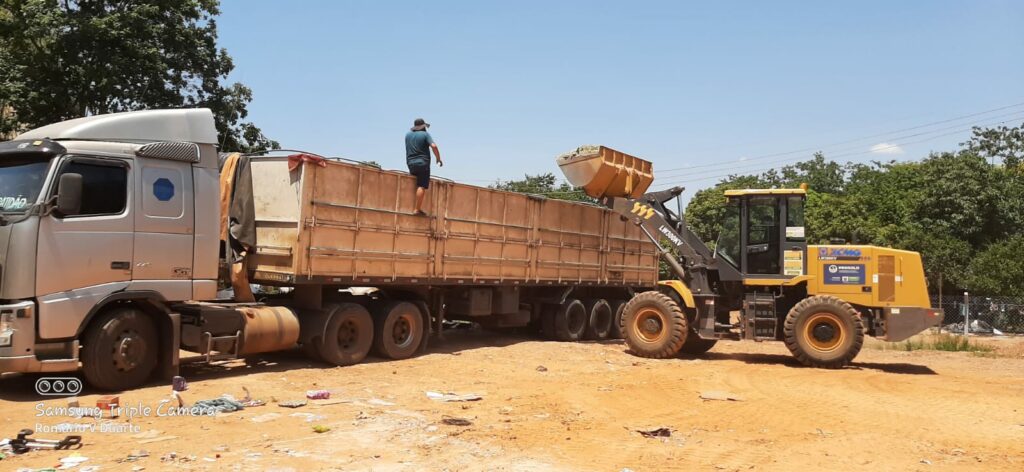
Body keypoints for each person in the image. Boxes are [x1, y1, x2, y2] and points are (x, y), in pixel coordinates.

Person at [405, 118, 442, 216]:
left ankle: (409, 205)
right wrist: (438, 158)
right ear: (423, 127)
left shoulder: (407, 135)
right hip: (422, 163)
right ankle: (417, 209)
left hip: (410, 163)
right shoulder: (425, 134)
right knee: (421, 185)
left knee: (414, 183)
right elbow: (434, 146)